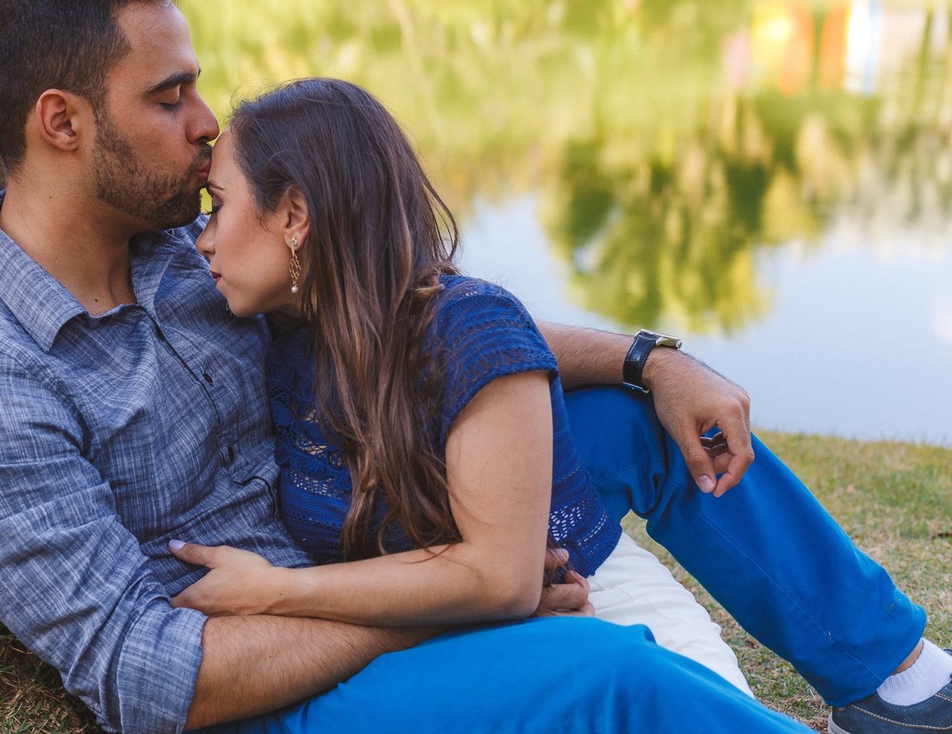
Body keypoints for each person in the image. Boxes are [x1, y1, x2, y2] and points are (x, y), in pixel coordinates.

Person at [0, 0, 950, 734]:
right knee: (604, 674)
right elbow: (148, 676)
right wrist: (462, 602)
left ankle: (892, 676)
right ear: (61, 123)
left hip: (355, 541)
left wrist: (649, 357)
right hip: (285, 685)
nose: (208, 122)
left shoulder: (185, 249)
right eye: (170, 98)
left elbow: (413, 315)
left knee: (625, 424)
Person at [181, 75, 750, 693]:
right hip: (450, 643)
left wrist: (276, 591)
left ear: (294, 215)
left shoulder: (467, 324)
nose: (202, 239)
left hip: (588, 603)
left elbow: (502, 577)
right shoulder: (278, 330)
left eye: (217, 206)